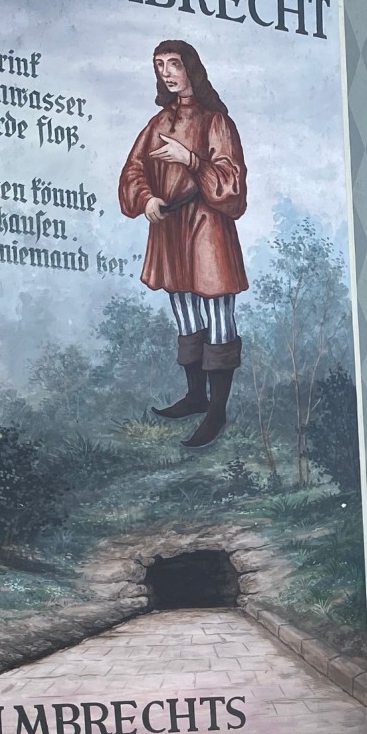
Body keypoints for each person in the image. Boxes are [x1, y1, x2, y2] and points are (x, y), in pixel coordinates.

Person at [118, 40, 248, 450]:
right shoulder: (158, 122)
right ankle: (196, 397)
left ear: (191, 67)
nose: (167, 72)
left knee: (218, 312)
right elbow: (133, 169)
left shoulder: (216, 121)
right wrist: (146, 199)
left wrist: (189, 159)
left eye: (174, 63)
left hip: (208, 227)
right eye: (159, 65)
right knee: (186, 311)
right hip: (171, 228)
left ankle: (217, 410)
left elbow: (232, 183)